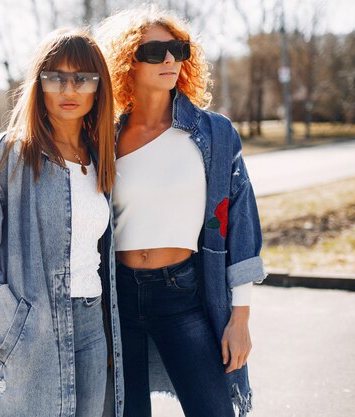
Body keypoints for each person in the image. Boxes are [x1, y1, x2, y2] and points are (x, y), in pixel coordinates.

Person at [96, 6, 266, 417]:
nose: (170, 60)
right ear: (126, 62)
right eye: (154, 51)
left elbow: (241, 226)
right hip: (115, 300)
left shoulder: (214, 133)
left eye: (177, 49)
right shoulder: (103, 137)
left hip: (183, 294)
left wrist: (239, 319)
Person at [0, 28, 124, 417]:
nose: (69, 89)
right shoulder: (13, 153)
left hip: (93, 328)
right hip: (34, 331)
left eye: (82, 78)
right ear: (39, 84)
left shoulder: (99, 156)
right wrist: (12, 331)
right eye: (55, 77)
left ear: (98, 87)